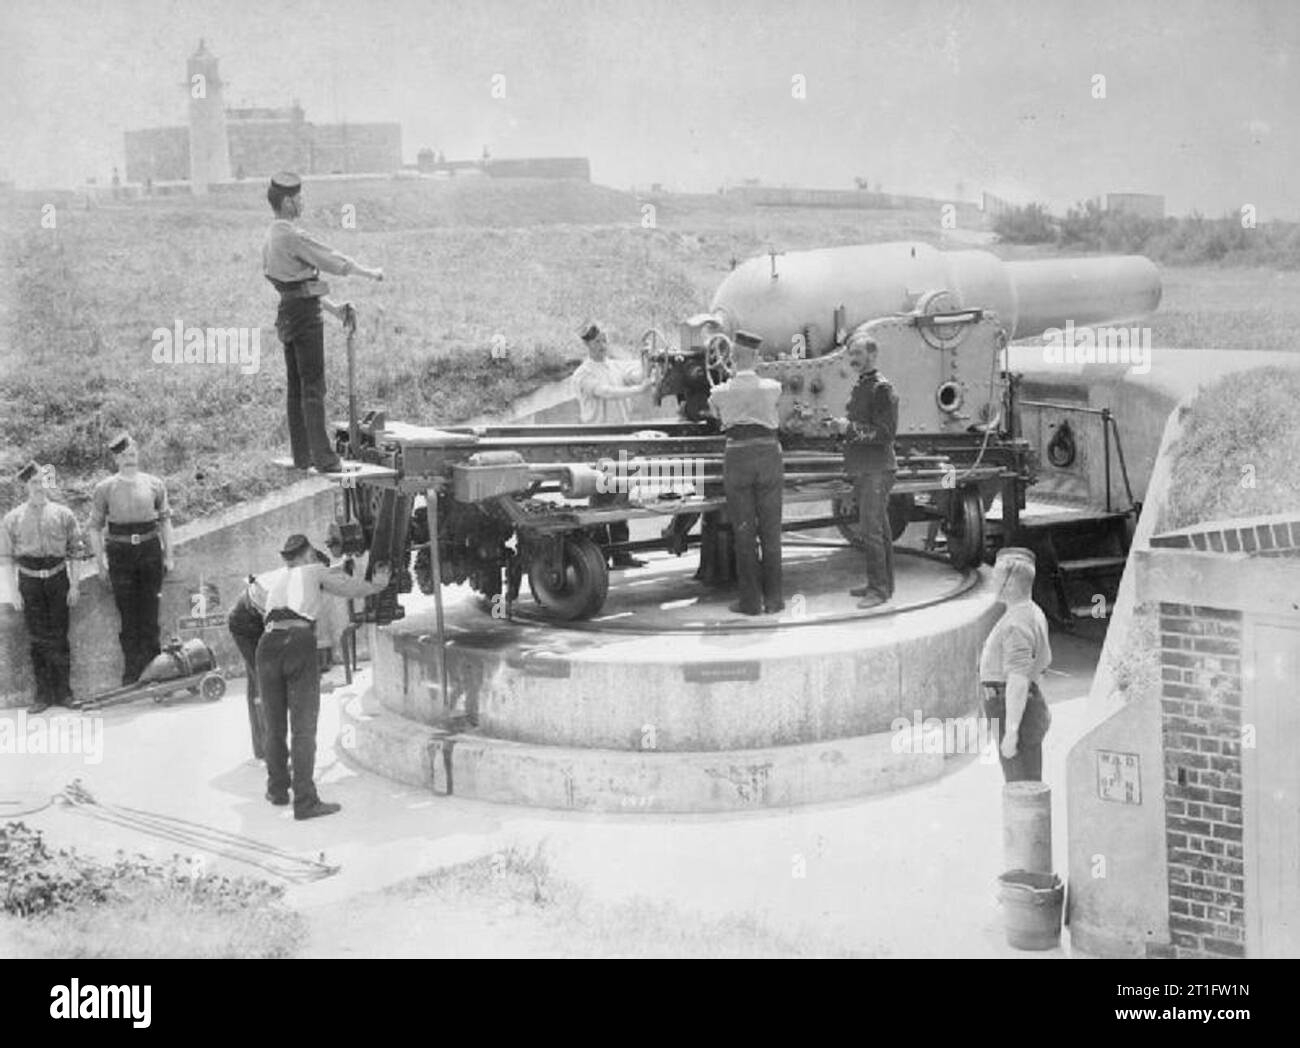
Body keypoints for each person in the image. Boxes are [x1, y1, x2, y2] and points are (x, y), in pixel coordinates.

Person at [256, 533, 391, 820]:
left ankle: (277, 789)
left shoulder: (277, 578)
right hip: (298, 641)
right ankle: (305, 801)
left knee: (274, 725)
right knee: (303, 728)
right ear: (307, 555)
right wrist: (378, 584)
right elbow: (349, 587)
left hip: (266, 645)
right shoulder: (314, 569)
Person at [263, 172, 384, 473]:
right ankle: (326, 459)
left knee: (297, 388)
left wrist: (334, 309)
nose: (303, 202)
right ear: (288, 202)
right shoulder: (291, 235)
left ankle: (303, 456)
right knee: (314, 387)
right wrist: (368, 272)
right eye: (299, 198)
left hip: (288, 315)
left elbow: (294, 287)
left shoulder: (270, 237)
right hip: (305, 318)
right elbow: (330, 260)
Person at [88, 433, 175, 685]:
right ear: (116, 459)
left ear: (138, 456)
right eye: (124, 455)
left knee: (150, 614)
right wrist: (100, 562)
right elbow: (94, 526)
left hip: (149, 550)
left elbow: (165, 520)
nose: (129, 459)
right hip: (120, 554)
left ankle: (156, 670)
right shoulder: (104, 488)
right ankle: (132, 674)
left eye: (133, 454)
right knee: (128, 617)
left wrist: (169, 555)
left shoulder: (154, 484)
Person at [707, 331, 784, 615]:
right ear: (757, 357)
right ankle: (775, 600)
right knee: (771, 532)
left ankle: (750, 602)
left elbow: (713, 414)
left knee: (744, 533)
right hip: (768, 456)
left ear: (731, 359)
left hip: (738, 456)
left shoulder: (720, 392)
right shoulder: (772, 387)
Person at [0, 462, 85, 713]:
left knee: (59, 637)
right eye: (34, 482)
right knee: (37, 640)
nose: (38, 487)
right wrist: (13, 591)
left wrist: (75, 585)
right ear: (26, 485)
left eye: (42, 482)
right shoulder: (12, 518)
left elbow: (76, 551)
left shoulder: (63, 514)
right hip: (30, 582)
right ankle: (43, 695)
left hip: (58, 580)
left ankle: (65, 693)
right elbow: (5, 558)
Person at [571, 322, 654, 568]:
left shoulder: (614, 366)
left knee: (622, 496)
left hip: (622, 438)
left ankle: (621, 553)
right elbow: (605, 392)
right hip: (600, 441)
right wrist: (639, 389)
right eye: (597, 342)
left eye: (605, 341)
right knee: (602, 499)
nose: (602, 346)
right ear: (587, 344)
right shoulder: (583, 375)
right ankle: (600, 555)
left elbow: (634, 374)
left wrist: (649, 362)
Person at [833, 337, 899, 609]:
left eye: (858, 353)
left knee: (871, 531)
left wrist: (846, 428)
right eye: (851, 353)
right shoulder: (863, 385)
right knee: (879, 531)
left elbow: (885, 434)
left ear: (873, 354)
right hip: (866, 469)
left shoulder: (882, 389)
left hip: (876, 470)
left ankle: (878, 590)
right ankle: (884, 584)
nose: (853, 358)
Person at [979, 547, 1053, 782]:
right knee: (1027, 779)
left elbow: (1018, 682)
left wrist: (1011, 733)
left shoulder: (1016, 625)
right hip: (1023, 706)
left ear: (1009, 585)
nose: (992, 583)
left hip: (1012, 709)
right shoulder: (1031, 612)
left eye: (996, 579)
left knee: (1020, 785)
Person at [226, 573, 268, 760]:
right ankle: (269, 748)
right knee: (262, 678)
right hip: (243, 624)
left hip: (255, 619)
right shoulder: (284, 587)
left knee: (256, 678)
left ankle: (261, 747)